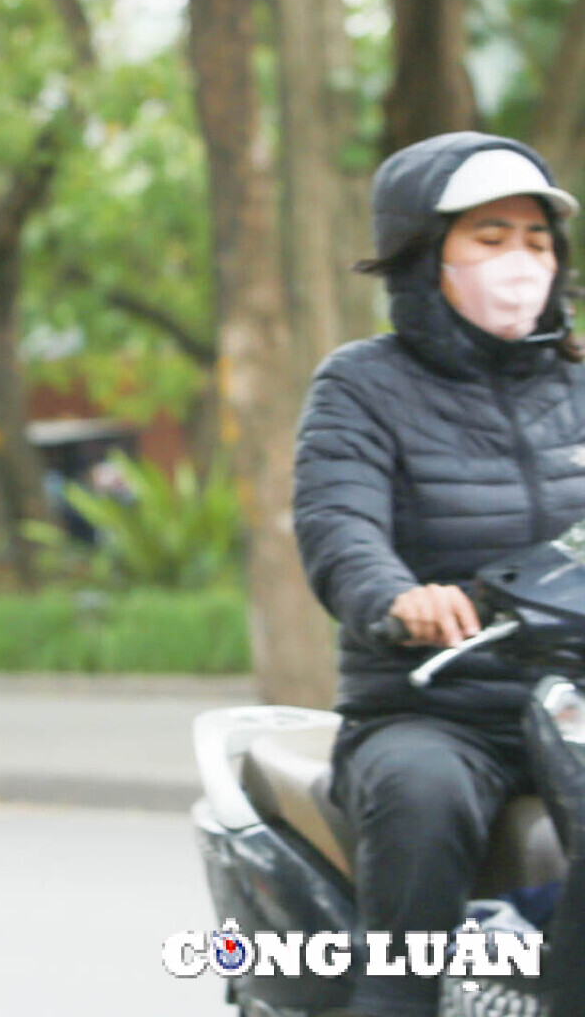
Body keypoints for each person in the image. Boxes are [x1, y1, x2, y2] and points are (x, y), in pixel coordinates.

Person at [293, 132, 585, 1017]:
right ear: (426, 258)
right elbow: (339, 524)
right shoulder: (360, 385)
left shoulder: (577, 382)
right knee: (420, 800)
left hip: (569, 701)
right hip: (434, 705)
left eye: (536, 241)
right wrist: (396, 597)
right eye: (490, 239)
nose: (520, 261)